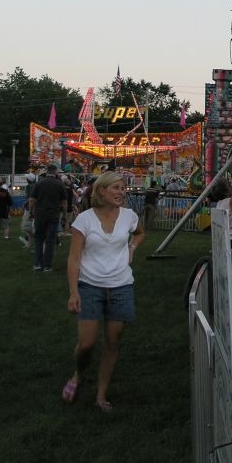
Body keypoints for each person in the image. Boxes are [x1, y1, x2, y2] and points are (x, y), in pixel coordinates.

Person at [64, 171, 145, 411]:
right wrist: (73, 292)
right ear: (101, 191)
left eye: (123, 188)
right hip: (90, 286)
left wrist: (132, 247)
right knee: (87, 343)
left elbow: (140, 233)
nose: (122, 192)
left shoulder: (129, 216)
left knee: (112, 342)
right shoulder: (84, 220)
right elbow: (73, 259)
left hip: (121, 285)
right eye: (116, 188)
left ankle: (101, 395)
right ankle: (78, 374)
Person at [29, 164, 67, 272]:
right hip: (53, 215)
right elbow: (64, 202)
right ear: (55, 172)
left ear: (46, 171)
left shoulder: (39, 183)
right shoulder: (59, 184)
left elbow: (32, 200)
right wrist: (64, 215)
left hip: (39, 214)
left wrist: (31, 212)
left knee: (38, 239)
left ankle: (37, 264)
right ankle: (47, 265)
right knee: (50, 240)